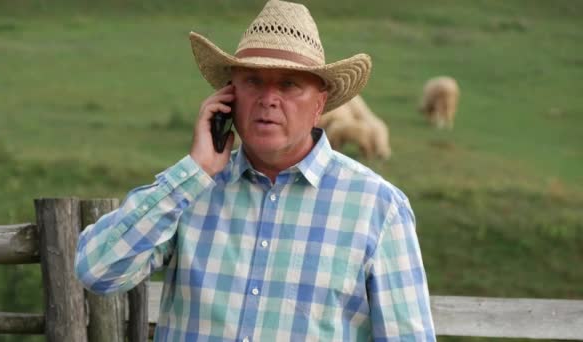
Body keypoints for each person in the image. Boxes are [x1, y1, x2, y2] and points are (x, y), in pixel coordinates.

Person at [75, 0, 436, 340]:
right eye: (253, 81)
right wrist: (196, 170)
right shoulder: (190, 191)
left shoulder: (378, 208)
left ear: (320, 104)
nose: (268, 99)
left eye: (288, 84)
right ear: (229, 97)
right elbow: (97, 270)